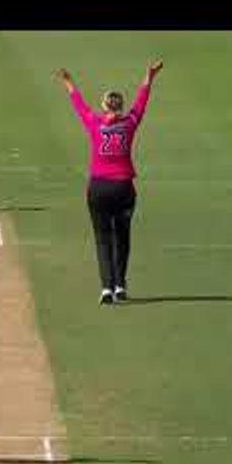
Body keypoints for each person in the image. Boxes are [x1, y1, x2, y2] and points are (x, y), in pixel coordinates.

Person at [57, 61, 163, 304]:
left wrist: (68, 82)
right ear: (121, 107)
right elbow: (141, 103)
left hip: (99, 189)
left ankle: (106, 288)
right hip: (124, 188)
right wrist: (149, 77)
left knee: (103, 238)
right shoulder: (129, 123)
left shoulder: (94, 123)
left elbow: (79, 105)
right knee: (122, 237)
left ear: (104, 106)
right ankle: (120, 286)